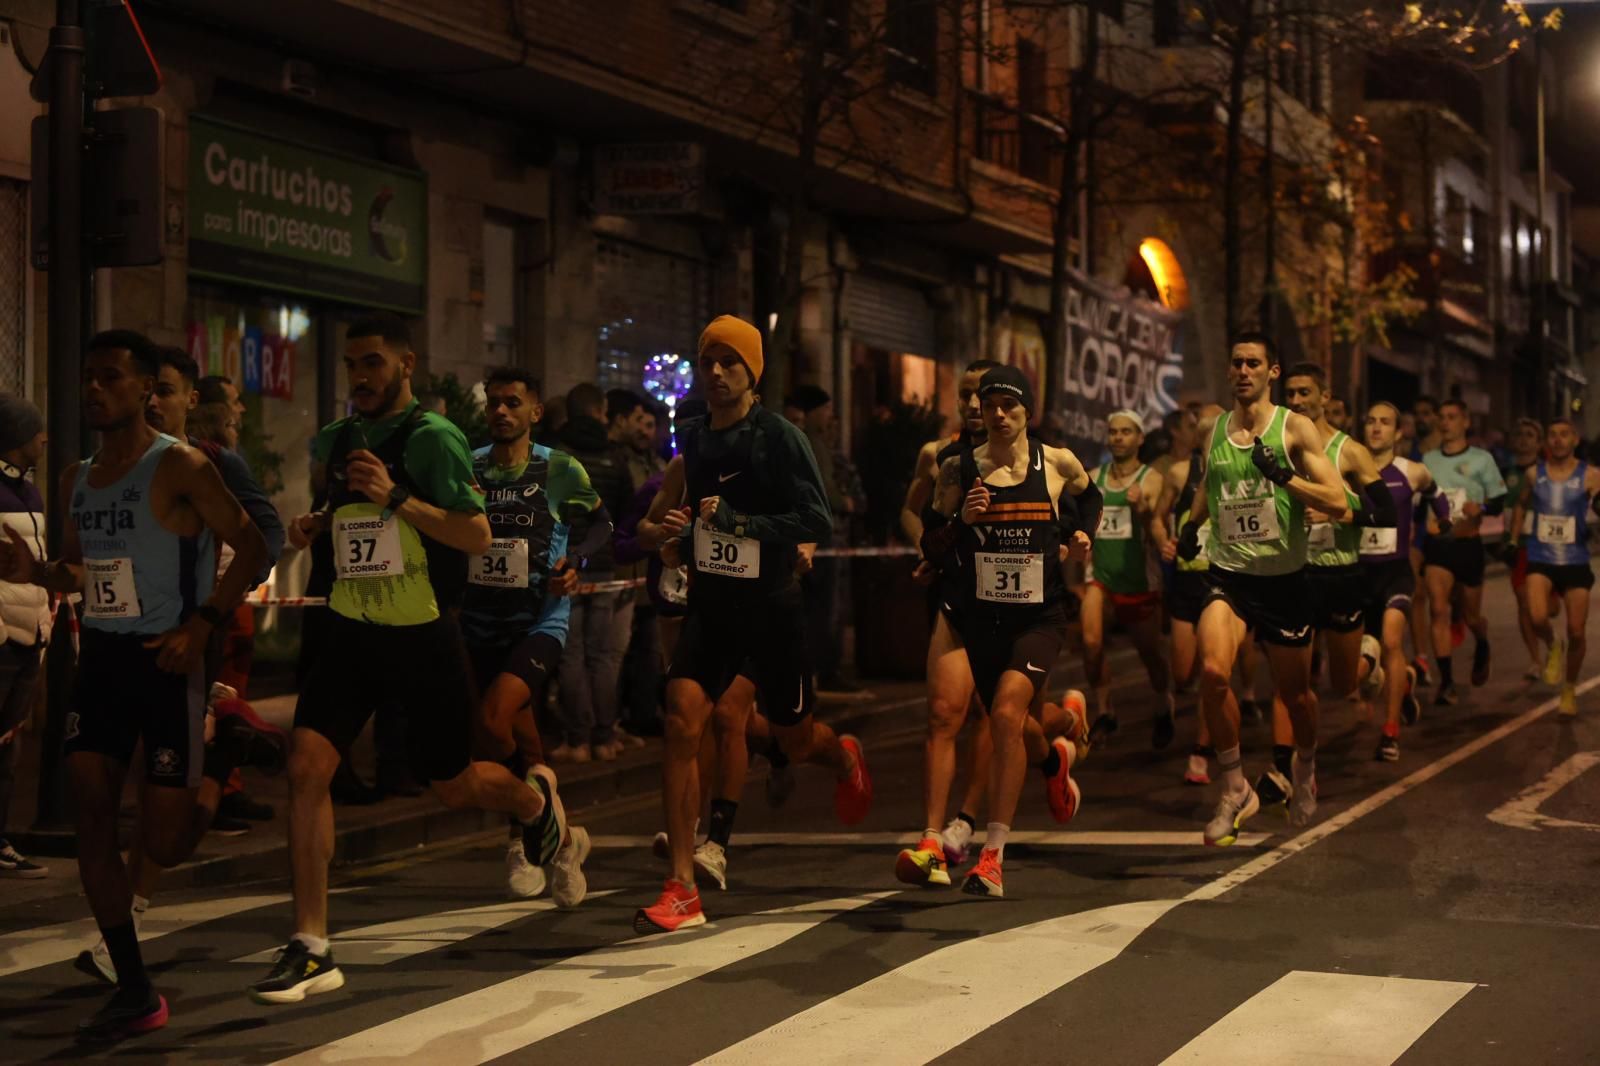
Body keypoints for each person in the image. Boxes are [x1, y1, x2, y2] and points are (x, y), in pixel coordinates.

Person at [253, 314, 571, 1004]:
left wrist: (395, 497)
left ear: (405, 364)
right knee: (307, 768)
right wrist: (314, 526)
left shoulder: (434, 439)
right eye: (351, 366)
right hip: (348, 629)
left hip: (421, 631)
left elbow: (476, 533)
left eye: (373, 363)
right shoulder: (339, 440)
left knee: (453, 785)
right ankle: (311, 944)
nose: (361, 377)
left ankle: (529, 799)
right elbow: (341, 515)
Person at [0, 331, 277, 1038]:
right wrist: (33, 573)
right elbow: (73, 570)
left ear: (146, 388)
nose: (95, 389)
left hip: (168, 664)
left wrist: (204, 624)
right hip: (103, 663)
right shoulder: (76, 478)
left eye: (112, 378)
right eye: (88, 377)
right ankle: (134, 985)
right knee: (91, 809)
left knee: (167, 841)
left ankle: (221, 757)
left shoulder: (179, 466)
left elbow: (252, 544)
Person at [632, 315, 869, 933]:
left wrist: (740, 524)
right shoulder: (694, 438)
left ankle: (841, 757)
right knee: (683, 717)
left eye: (729, 362)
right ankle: (682, 887)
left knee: (794, 738)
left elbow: (816, 518)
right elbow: (655, 523)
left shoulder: (780, 438)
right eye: (707, 360)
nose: (715, 373)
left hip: (772, 608)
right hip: (712, 609)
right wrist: (669, 537)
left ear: (752, 372)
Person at [917, 366, 1098, 897]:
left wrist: (1076, 533)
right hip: (982, 616)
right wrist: (961, 524)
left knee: (1004, 713)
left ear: (1028, 412)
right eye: (989, 403)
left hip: (1039, 617)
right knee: (1014, 723)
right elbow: (931, 541)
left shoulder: (1057, 462)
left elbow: (1091, 497)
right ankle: (1064, 736)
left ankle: (992, 855)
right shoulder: (957, 469)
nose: (997, 413)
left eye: (1009, 404)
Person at [1174, 332, 1346, 845]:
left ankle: (1306, 767)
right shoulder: (1218, 430)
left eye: (1254, 363)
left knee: (1297, 698)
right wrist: (1191, 521)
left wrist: (1285, 478)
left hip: (1286, 582)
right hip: (1228, 576)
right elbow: (1211, 484)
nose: (1243, 371)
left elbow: (1337, 500)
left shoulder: (1293, 430)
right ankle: (1234, 788)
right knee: (1211, 673)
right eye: (1237, 363)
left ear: (1272, 372)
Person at [461, 366, 605, 901]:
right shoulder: (469, 467)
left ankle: (525, 833)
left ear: (535, 413)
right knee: (516, 739)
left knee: (494, 718)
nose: (501, 411)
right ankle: (563, 839)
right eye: (493, 402)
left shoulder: (559, 469)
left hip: (540, 621)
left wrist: (578, 562)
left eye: (512, 402)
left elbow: (600, 524)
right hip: (478, 622)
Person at [896, 359, 1001, 882]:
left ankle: (971, 817)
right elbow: (913, 511)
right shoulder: (939, 457)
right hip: (958, 596)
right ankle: (935, 837)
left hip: (1015, 608)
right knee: (943, 713)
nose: (974, 406)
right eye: (964, 396)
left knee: (1003, 717)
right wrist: (928, 550)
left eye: (985, 395)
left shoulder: (1037, 459)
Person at [1276, 364, 1392, 787]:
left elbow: (1386, 512)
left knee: (1344, 685)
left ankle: (1369, 659)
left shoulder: (1350, 452)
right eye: (1289, 393)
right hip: (1292, 575)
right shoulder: (1276, 446)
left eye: (1305, 392)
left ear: (1325, 398)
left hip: (1341, 576)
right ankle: (1284, 766)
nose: (1296, 401)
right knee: (1289, 680)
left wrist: (1340, 511)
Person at [1080, 411, 1172, 748]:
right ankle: (1105, 711)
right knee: (1090, 643)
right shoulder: (1092, 478)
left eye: (1126, 432)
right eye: (1113, 431)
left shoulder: (1151, 479)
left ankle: (1164, 705)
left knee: (1150, 655)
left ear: (1139, 438)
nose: (1118, 437)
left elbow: (1157, 527)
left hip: (1139, 580)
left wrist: (1143, 510)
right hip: (1100, 576)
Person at [553, 383, 635, 761]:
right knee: (601, 657)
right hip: (603, 568)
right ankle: (604, 738)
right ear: (600, 411)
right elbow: (623, 513)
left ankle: (577, 740)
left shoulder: (557, 456)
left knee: (570, 656)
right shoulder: (615, 458)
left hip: (566, 566)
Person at [1510, 418, 1599, 717]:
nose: (1558, 440)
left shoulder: (1591, 475)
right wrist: (1512, 538)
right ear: (1547, 441)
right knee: (1536, 616)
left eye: (1564, 435)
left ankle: (1569, 687)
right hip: (1541, 557)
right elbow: (1522, 503)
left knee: (1576, 631)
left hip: (1575, 560)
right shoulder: (1535, 475)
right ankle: (1552, 646)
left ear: (1575, 439)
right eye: (1553, 435)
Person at [1420, 399, 1507, 705]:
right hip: (1439, 546)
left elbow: (1498, 500)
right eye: (1441, 418)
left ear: (1465, 422)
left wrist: (1480, 507)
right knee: (1438, 609)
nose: (1445, 423)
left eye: (1452, 417)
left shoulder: (1482, 460)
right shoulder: (1428, 460)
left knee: (1471, 616)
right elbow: (1420, 501)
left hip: (1469, 545)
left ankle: (1481, 642)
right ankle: (1446, 681)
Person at [1155, 403, 1222, 785]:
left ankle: (1202, 750)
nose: (1209, 428)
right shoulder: (1182, 473)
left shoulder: (1236, 471)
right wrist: (1165, 542)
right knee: (1183, 674)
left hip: (1221, 581)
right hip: (1185, 581)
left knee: (1214, 667)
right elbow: (1158, 516)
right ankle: (1176, 700)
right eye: (1203, 423)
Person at [1361, 402, 1433, 761]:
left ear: (1397, 432)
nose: (1376, 428)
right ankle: (1403, 684)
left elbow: (1435, 493)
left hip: (1396, 574)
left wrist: (1443, 519)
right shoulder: (1347, 469)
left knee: (1391, 639)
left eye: (1385, 422)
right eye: (1371, 421)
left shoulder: (1411, 471)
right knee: (1358, 669)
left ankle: (1390, 732)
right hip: (1358, 577)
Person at [0, 395, 50, 879]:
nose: (45, 438)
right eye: (37, 430)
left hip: (28, 636)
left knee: (8, 747)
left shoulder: (30, 493)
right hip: (2, 639)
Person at [788, 384, 855, 692]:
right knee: (822, 608)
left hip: (817, 534)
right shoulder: (811, 443)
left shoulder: (817, 442)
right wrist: (844, 503)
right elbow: (823, 491)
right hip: (819, 536)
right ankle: (818, 670)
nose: (830, 415)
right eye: (826, 409)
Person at [1502, 418, 1545, 681]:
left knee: (1545, 610)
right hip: (1516, 547)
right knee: (1522, 602)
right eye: (1519, 434)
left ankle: (1550, 640)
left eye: (1530, 434)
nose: (1523, 439)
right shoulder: (1506, 472)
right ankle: (1536, 660)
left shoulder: (1546, 472)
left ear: (1539, 443)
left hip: (1543, 546)